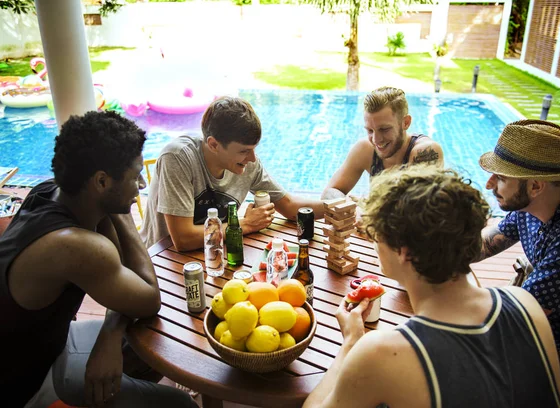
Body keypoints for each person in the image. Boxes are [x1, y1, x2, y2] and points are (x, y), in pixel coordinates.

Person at [303, 165, 560, 408]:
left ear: (403, 252)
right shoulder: (526, 305)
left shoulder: (382, 353)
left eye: (375, 235)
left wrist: (350, 344)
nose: (372, 242)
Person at [0, 111, 196, 408]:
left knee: (162, 343)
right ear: (102, 182)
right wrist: (124, 213)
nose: (142, 185)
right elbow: (148, 297)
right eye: (134, 176)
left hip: (47, 342)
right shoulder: (74, 246)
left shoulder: (52, 193)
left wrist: (109, 334)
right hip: (27, 382)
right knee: (181, 405)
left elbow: (123, 278)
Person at [141, 96, 325, 251]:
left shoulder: (246, 164)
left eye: (253, 149)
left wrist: (335, 208)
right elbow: (182, 239)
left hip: (217, 251)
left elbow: (290, 207)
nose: (252, 159)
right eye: (244, 151)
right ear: (213, 144)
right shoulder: (178, 158)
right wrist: (246, 224)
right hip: (163, 261)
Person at [478, 119, 560, 349]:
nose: (489, 184)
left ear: (535, 186)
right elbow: (486, 244)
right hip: (540, 326)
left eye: (501, 178)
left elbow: (524, 313)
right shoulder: (532, 204)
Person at [321, 86, 444, 200]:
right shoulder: (365, 149)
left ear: (405, 123)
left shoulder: (425, 151)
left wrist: (364, 205)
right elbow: (329, 193)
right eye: (370, 130)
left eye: (384, 129)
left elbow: (417, 211)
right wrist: (349, 206)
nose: (376, 139)